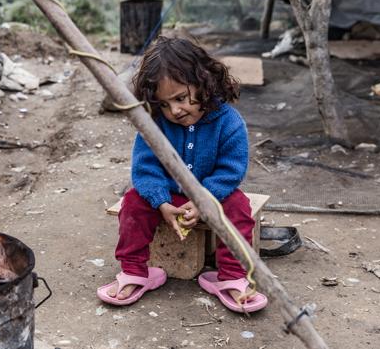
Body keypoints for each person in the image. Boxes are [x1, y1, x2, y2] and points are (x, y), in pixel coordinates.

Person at [97, 36, 267, 313]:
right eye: (164, 104)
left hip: (214, 196)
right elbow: (145, 168)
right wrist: (160, 201)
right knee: (133, 203)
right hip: (170, 197)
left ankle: (232, 278)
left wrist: (204, 200)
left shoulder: (229, 122)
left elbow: (230, 170)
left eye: (179, 98)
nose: (174, 110)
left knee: (239, 206)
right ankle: (134, 272)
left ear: (204, 82)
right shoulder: (155, 124)